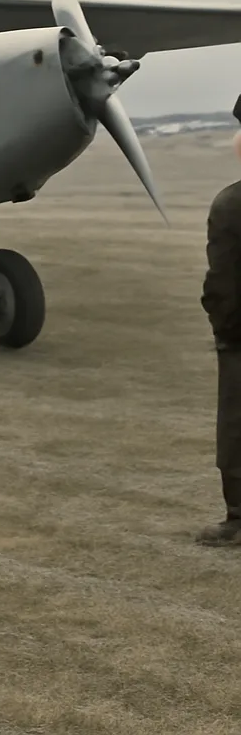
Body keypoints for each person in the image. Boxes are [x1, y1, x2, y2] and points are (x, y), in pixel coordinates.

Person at [197, 96, 241, 545]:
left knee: (237, 426)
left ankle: (239, 518)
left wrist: (225, 331)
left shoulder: (231, 205)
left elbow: (223, 282)